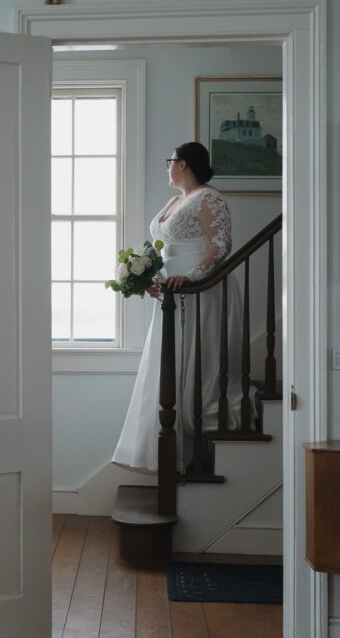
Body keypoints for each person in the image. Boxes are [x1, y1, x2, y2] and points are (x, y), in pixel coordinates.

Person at [112, 142, 243, 473]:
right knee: (169, 362)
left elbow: (221, 245)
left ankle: (195, 442)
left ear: (183, 164)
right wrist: (150, 277)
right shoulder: (175, 200)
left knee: (196, 360)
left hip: (201, 291)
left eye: (169, 161)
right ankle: (165, 453)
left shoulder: (209, 198)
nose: (167, 167)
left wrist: (191, 277)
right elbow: (165, 249)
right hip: (172, 294)